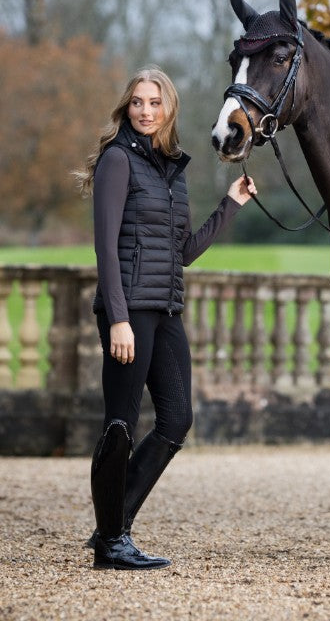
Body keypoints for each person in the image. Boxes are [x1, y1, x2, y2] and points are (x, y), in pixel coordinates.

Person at [75, 66, 256, 570]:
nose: (146, 110)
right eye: (137, 102)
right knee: (120, 423)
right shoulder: (118, 161)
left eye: (155, 102)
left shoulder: (170, 169)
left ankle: (111, 525)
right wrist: (117, 319)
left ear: (169, 107)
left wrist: (230, 205)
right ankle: (112, 543)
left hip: (166, 307)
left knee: (178, 418)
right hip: (128, 309)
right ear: (127, 107)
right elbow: (105, 248)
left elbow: (182, 252)